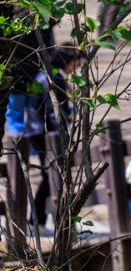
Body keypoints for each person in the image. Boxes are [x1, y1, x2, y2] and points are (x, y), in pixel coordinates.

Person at [5, 46, 83, 234]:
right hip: (45, 132)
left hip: (35, 130)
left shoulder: (44, 74)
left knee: (51, 175)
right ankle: (38, 220)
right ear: (68, 60)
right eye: (76, 62)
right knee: (53, 175)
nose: (77, 66)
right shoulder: (54, 77)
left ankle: (38, 220)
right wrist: (65, 120)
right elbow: (55, 107)